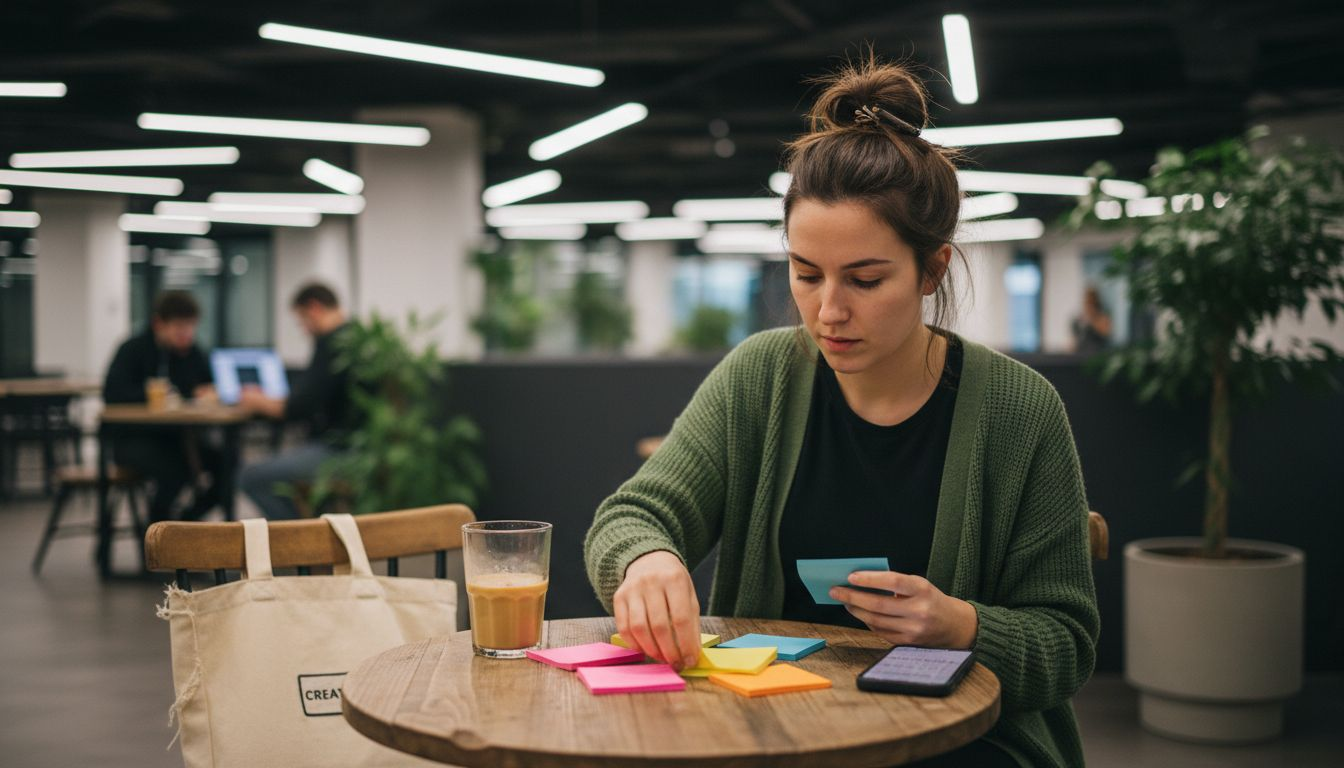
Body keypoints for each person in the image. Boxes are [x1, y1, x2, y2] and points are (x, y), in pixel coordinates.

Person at [584, 57, 1098, 768]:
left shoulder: (1019, 410)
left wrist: (961, 624)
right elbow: (629, 517)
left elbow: (1067, 646)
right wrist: (647, 561)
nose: (829, 311)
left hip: (959, 743)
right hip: (769, 731)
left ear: (933, 269)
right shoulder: (761, 377)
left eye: (864, 279)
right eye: (804, 274)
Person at [236, 282, 353, 519]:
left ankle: (298, 539)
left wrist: (257, 401)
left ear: (314, 308)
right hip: (356, 448)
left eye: (302, 321)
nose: (304, 329)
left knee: (250, 476)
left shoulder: (332, 343)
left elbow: (297, 408)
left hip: (340, 452)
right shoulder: (356, 337)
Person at [103, 290, 222, 522]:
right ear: (159, 324)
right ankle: (158, 532)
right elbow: (113, 394)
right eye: (179, 327)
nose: (186, 334)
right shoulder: (133, 349)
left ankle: (186, 522)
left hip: (178, 438)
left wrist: (208, 393)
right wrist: (150, 395)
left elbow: (209, 386)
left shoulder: (192, 353)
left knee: (227, 464)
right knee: (176, 469)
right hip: (133, 439)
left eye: (191, 326)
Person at [1071, 285, 1113, 355]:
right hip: (1081, 355)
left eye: (1091, 302)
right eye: (1087, 301)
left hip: (1098, 354)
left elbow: (1106, 333)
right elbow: (1074, 341)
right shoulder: (1078, 320)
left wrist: (1092, 320)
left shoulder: (1103, 318)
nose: (1088, 305)